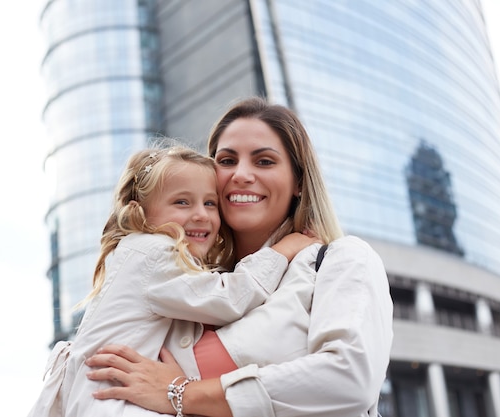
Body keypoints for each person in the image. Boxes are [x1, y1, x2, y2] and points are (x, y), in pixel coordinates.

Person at [85, 97, 394, 417]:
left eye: (264, 162)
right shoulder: (180, 282)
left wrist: (183, 392)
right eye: (227, 160)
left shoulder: (340, 259)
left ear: (298, 182)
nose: (241, 174)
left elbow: (349, 379)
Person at [27, 144, 317, 417]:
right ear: (140, 210)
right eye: (182, 202)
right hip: (115, 403)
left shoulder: (145, 256)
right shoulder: (154, 254)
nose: (201, 215)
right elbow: (228, 299)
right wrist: (282, 250)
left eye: (210, 203)